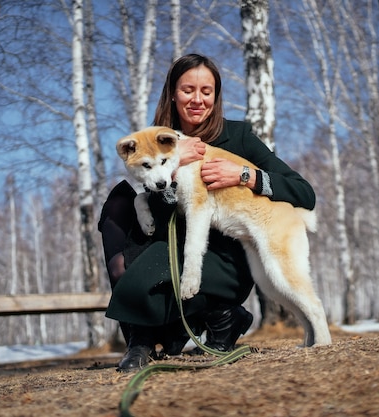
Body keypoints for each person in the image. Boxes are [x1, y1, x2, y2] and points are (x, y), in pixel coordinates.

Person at [98, 53, 316, 371]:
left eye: (207, 91)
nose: (198, 99)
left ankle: (210, 316)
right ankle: (146, 339)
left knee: (140, 282)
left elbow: (303, 192)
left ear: (216, 95)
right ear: (172, 92)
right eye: (188, 90)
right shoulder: (157, 142)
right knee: (119, 202)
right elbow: (162, 223)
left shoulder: (238, 136)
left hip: (227, 257)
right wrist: (174, 165)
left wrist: (246, 175)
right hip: (177, 250)